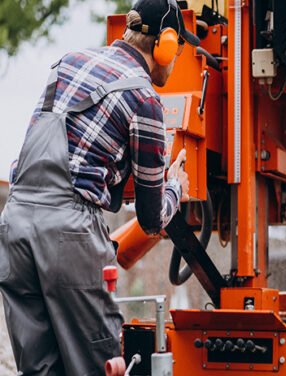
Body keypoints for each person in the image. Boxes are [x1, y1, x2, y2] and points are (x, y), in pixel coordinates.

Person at [0, 0, 198, 374]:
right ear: (165, 44)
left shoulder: (66, 63)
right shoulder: (145, 99)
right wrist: (174, 187)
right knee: (100, 365)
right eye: (178, 51)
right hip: (68, 236)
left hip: (15, 223)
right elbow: (152, 218)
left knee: (39, 369)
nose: (175, 62)